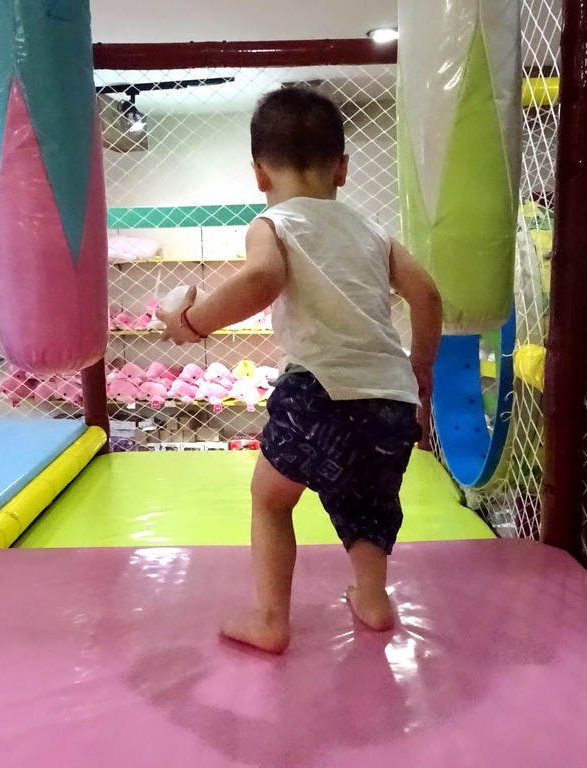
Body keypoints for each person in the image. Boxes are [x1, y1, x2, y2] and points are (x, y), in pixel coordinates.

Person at [158, 86, 442, 654]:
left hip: (319, 388)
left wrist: (195, 321)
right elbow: (428, 296)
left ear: (260, 174)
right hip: (389, 397)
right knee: (369, 502)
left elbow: (262, 280)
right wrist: (420, 371)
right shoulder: (374, 232)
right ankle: (373, 599)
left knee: (271, 499)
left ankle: (270, 618)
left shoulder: (274, 224)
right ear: (342, 168)